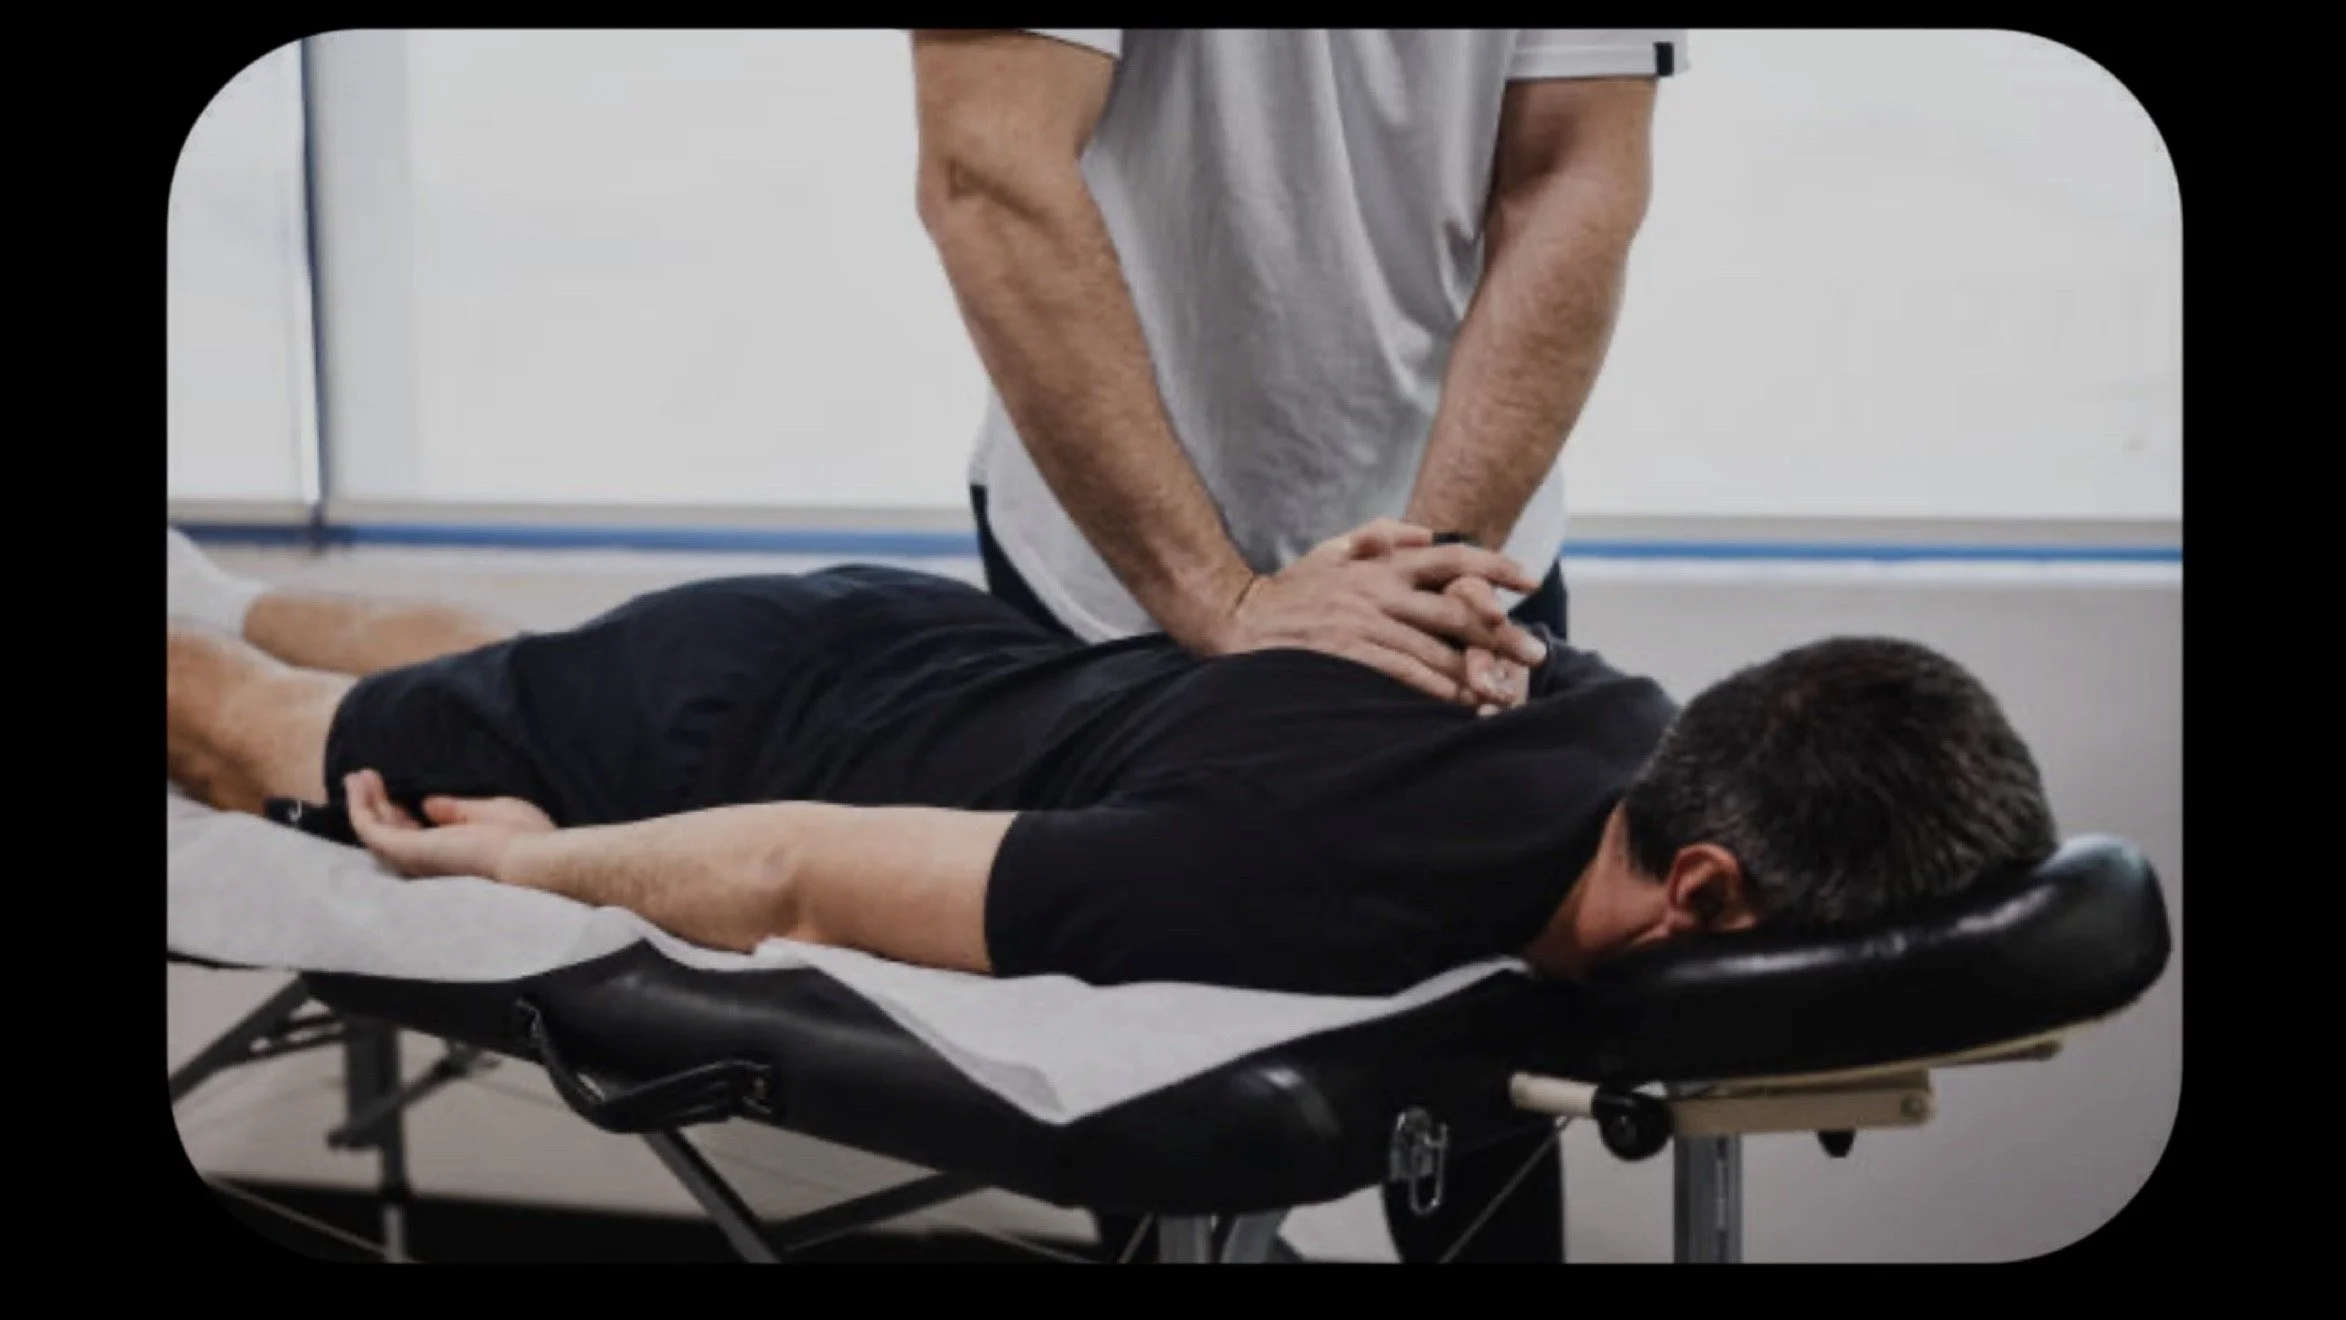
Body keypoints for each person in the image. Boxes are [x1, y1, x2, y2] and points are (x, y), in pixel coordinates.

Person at [168, 526, 2055, 1004]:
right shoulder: (1291, 888)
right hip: (723, 734)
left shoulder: (1598, 697)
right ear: (1705, 888)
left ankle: (232, 587)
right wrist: (512, 871)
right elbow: (793, 867)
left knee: (485, 659)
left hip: (880, 638)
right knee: (249, 734)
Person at [914, 29, 1681, 724]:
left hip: (1470, 551)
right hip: (1113, 581)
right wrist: (1221, 599)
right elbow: (991, 168)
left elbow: (1571, 171)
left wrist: (1426, 582)